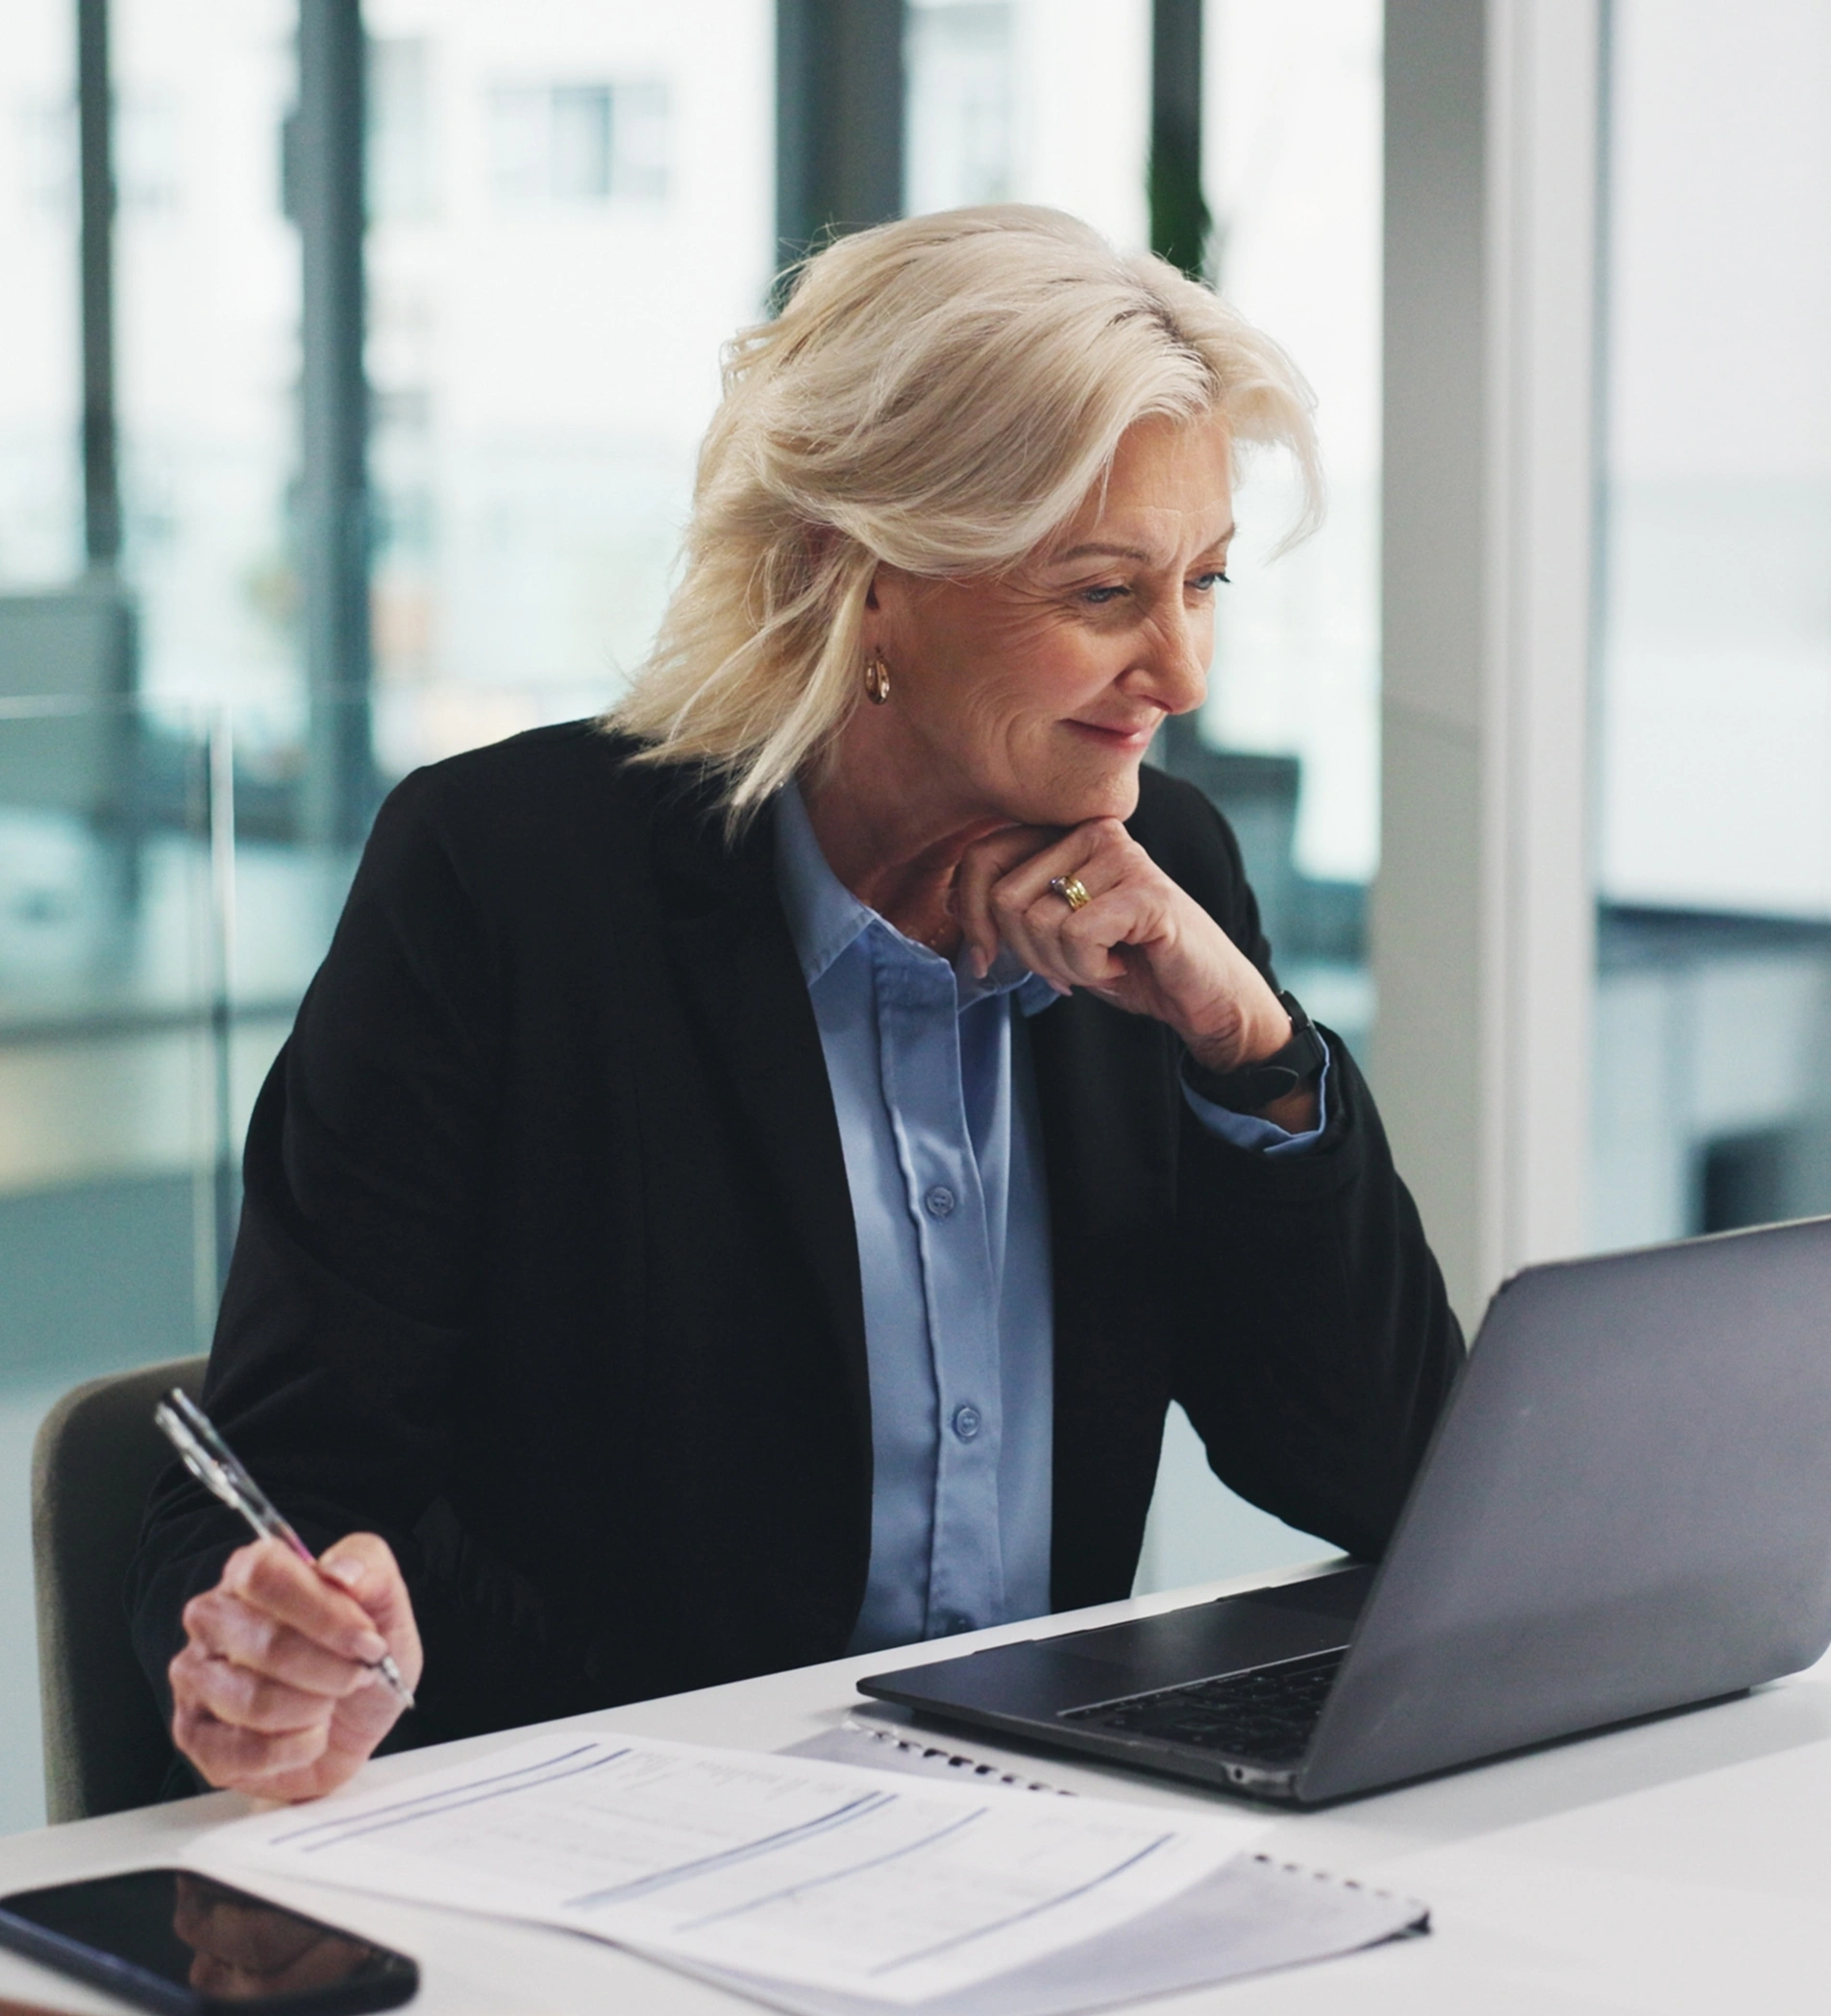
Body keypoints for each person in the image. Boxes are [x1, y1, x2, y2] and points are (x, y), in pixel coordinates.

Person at [130, 206, 1462, 1803]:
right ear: (861, 575)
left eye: (1205, 583)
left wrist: (1250, 1050)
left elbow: (1395, 1480)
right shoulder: (505, 881)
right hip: (616, 1844)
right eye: (1107, 592)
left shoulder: (1161, 873)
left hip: (1045, 1836)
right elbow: (263, 1500)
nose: (1181, 676)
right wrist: (286, 1649)